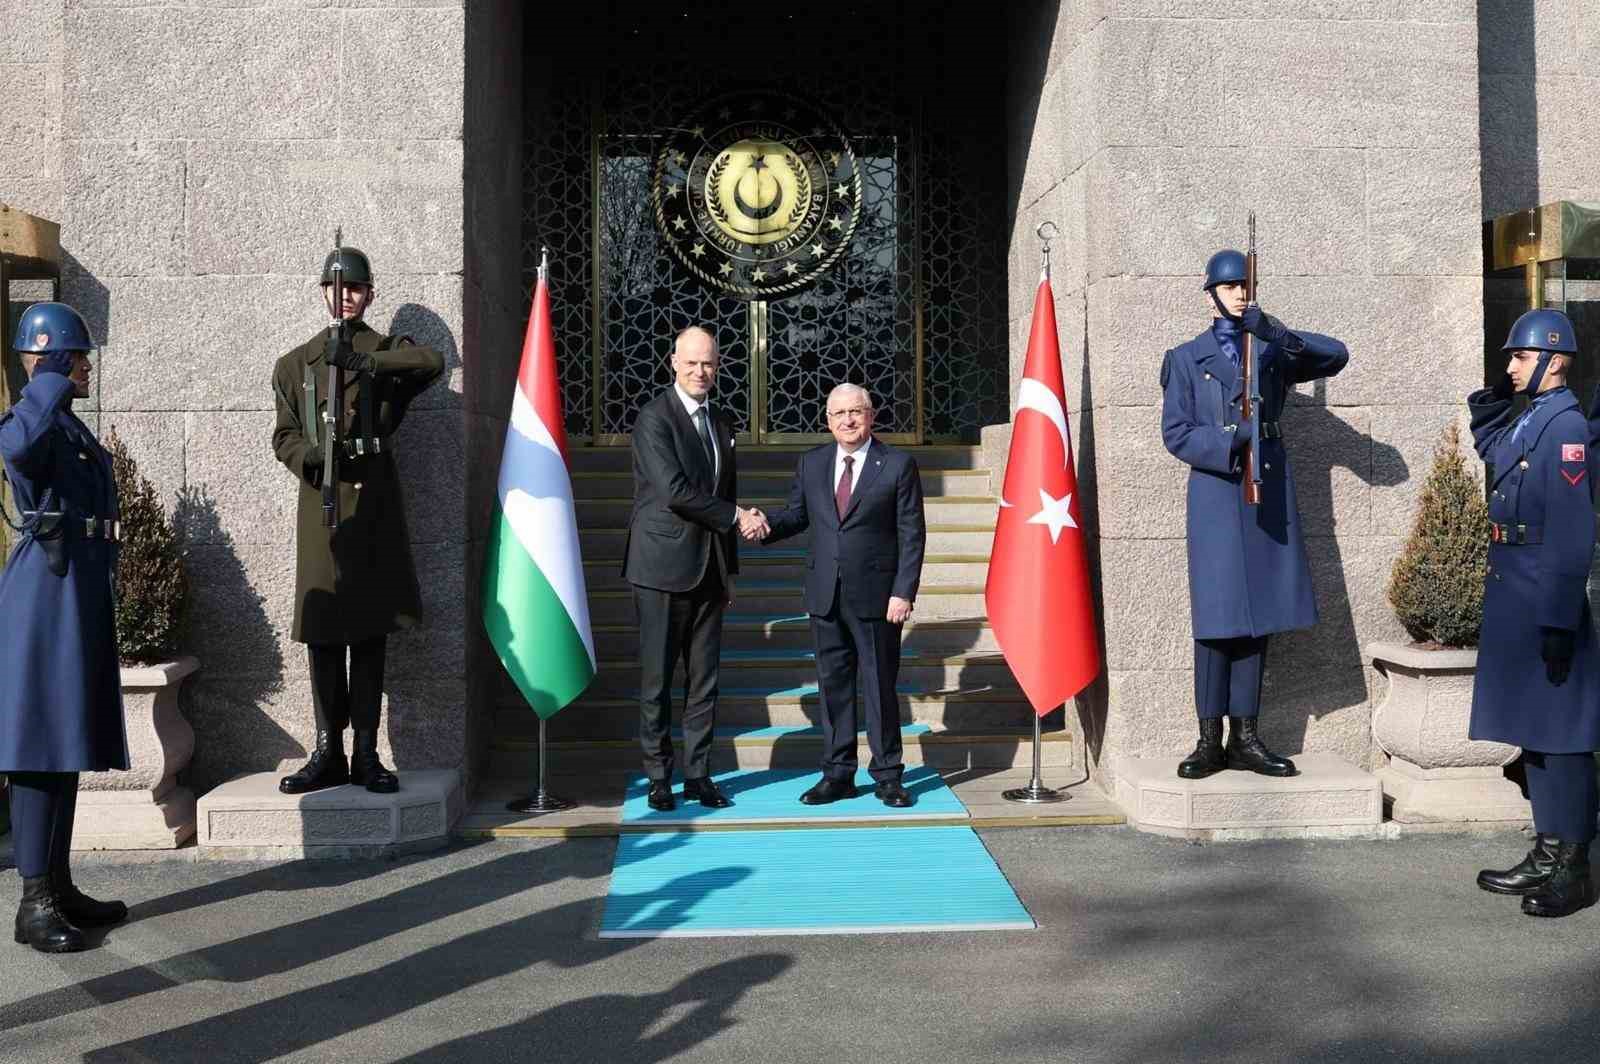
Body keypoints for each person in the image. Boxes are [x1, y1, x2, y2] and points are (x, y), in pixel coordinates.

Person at [1159, 248, 1349, 780]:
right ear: (1211, 293)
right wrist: (1229, 437)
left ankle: (1247, 736)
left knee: (1257, 618)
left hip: (1265, 492)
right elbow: (1175, 433)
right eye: (1230, 286)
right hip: (1219, 493)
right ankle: (1207, 739)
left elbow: (1335, 356)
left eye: (1246, 285)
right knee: (1218, 621)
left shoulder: (1268, 349)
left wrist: (1276, 331)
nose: (1240, 293)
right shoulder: (1185, 358)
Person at [271, 246, 444, 795]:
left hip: (372, 509)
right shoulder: (296, 362)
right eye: (335, 287)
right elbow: (283, 436)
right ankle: (328, 751)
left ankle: (368, 753)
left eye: (354, 288)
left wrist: (365, 364)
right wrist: (313, 456)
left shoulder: (387, 350)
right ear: (322, 292)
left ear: (369, 294)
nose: (344, 296)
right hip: (321, 509)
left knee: (370, 633)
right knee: (323, 635)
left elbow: (431, 364)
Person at [0, 302, 130, 952]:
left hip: (73, 591)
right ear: (50, 358)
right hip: (43, 595)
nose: (85, 365)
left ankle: (59, 882)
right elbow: (15, 446)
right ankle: (34, 902)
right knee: (36, 750)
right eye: (74, 356)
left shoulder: (70, 429)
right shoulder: (36, 420)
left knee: (66, 742)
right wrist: (43, 379)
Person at [1470, 308, 1598, 918]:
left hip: (1545, 594)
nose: (1509, 365)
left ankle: (1573, 867)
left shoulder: (1566, 427)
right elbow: (1488, 442)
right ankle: (1547, 851)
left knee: (1565, 738)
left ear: (1552, 361)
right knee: (1537, 737)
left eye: (1518, 357)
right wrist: (1502, 391)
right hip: (1515, 588)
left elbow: (1573, 536)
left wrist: (1558, 618)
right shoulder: (1531, 418)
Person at [757, 383, 926, 807]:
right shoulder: (812, 463)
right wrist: (764, 524)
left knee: (879, 687)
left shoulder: (898, 464)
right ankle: (838, 775)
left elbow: (911, 534)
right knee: (833, 689)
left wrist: (903, 591)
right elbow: (797, 515)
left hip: (877, 597)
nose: (848, 420)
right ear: (827, 420)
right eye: (839, 414)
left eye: (856, 411)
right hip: (824, 594)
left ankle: (888, 775)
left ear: (871, 415)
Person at [623, 326, 765, 812]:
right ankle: (659, 778)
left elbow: (725, 491)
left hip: (709, 570)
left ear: (718, 366)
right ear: (673, 362)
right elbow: (674, 491)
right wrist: (737, 518)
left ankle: (699, 775)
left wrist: (729, 570)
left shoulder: (721, 420)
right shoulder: (653, 419)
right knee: (658, 681)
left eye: (708, 363)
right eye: (691, 363)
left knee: (704, 682)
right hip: (661, 567)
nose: (700, 371)